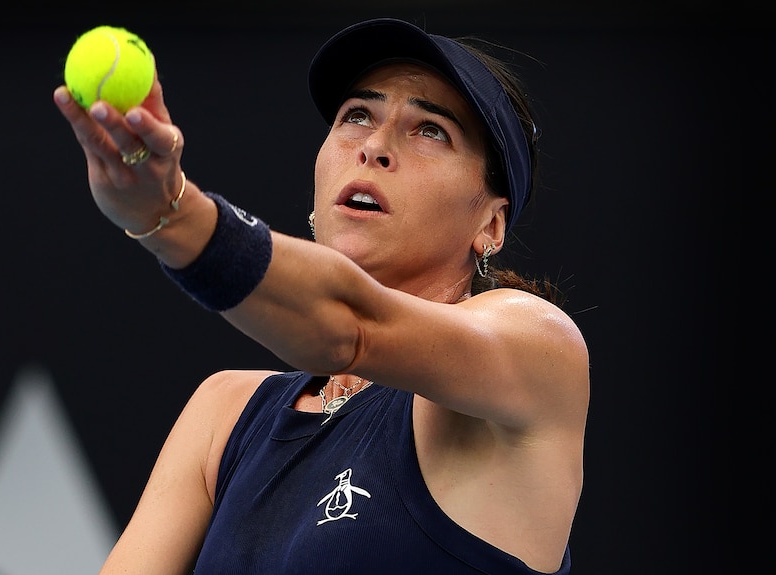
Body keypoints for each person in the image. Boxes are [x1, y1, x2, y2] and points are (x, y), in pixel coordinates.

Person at [54, 17, 590, 575]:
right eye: (357, 116)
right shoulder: (222, 414)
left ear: (491, 225)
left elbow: (346, 328)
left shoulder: (537, 352)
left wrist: (174, 217)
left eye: (431, 130)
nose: (374, 147)